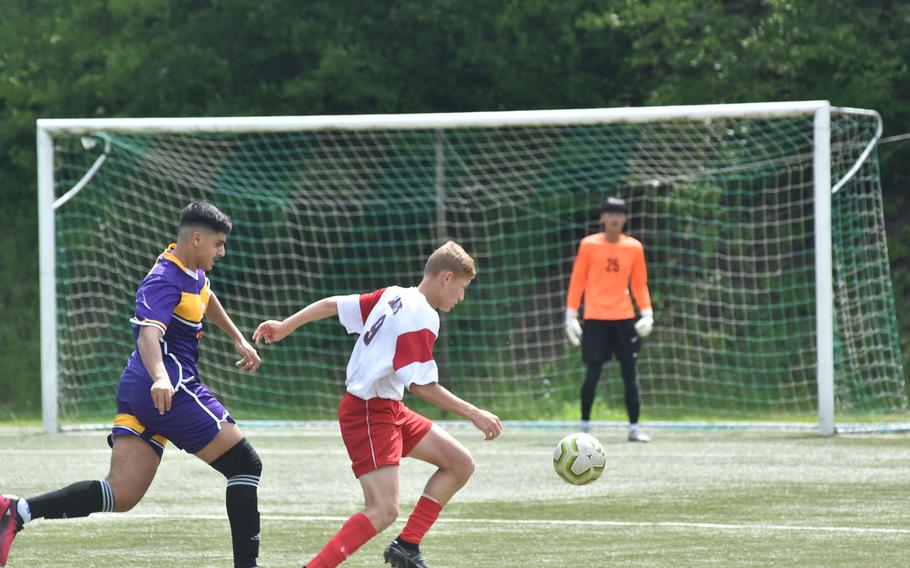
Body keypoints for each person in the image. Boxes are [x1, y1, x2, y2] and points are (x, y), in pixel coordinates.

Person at [0, 202, 264, 568]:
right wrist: (160, 376)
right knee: (246, 464)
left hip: (143, 391)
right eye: (218, 244)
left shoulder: (189, 268)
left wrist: (237, 337)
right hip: (169, 387)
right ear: (198, 238)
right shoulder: (164, 279)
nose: (222, 251)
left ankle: (19, 510)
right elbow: (148, 336)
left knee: (120, 494)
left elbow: (205, 295)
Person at [253, 240, 502, 568]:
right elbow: (423, 386)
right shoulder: (422, 315)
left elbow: (332, 304)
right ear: (446, 277)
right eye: (462, 286)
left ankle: (406, 547)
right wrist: (474, 413)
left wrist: (286, 326)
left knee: (460, 463)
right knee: (383, 509)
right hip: (368, 412)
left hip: (388, 408)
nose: (461, 296)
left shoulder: (394, 294)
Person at [565, 196, 654, 442]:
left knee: (629, 373)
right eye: (610, 214)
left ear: (625, 218)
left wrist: (647, 312)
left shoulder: (633, 247)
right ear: (603, 218)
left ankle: (634, 428)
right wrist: (571, 314)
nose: (614, 218)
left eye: (619, 214)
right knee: (592, 373)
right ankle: (584, 424)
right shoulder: (589, 245)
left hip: (624, 319)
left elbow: (639, 283)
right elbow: (578, 280)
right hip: (595, 318)